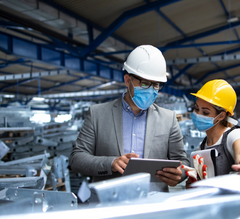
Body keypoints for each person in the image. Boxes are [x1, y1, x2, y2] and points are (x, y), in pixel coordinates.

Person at [69, 45, 190, 193]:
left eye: (156, 85)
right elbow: (77, 159)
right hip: (109, 203)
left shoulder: (168, 119)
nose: (152, 90)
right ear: (128, 80)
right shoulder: (97, 115)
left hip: (153, 204)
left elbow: (183, 162)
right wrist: (111, 163)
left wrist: (180, 174)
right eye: (145, 84)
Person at [183, 79, 240, 185]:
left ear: (221, 116)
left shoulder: (234, 135)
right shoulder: (202, 147)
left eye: (205, 112)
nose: (198, 115)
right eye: (196, 109)